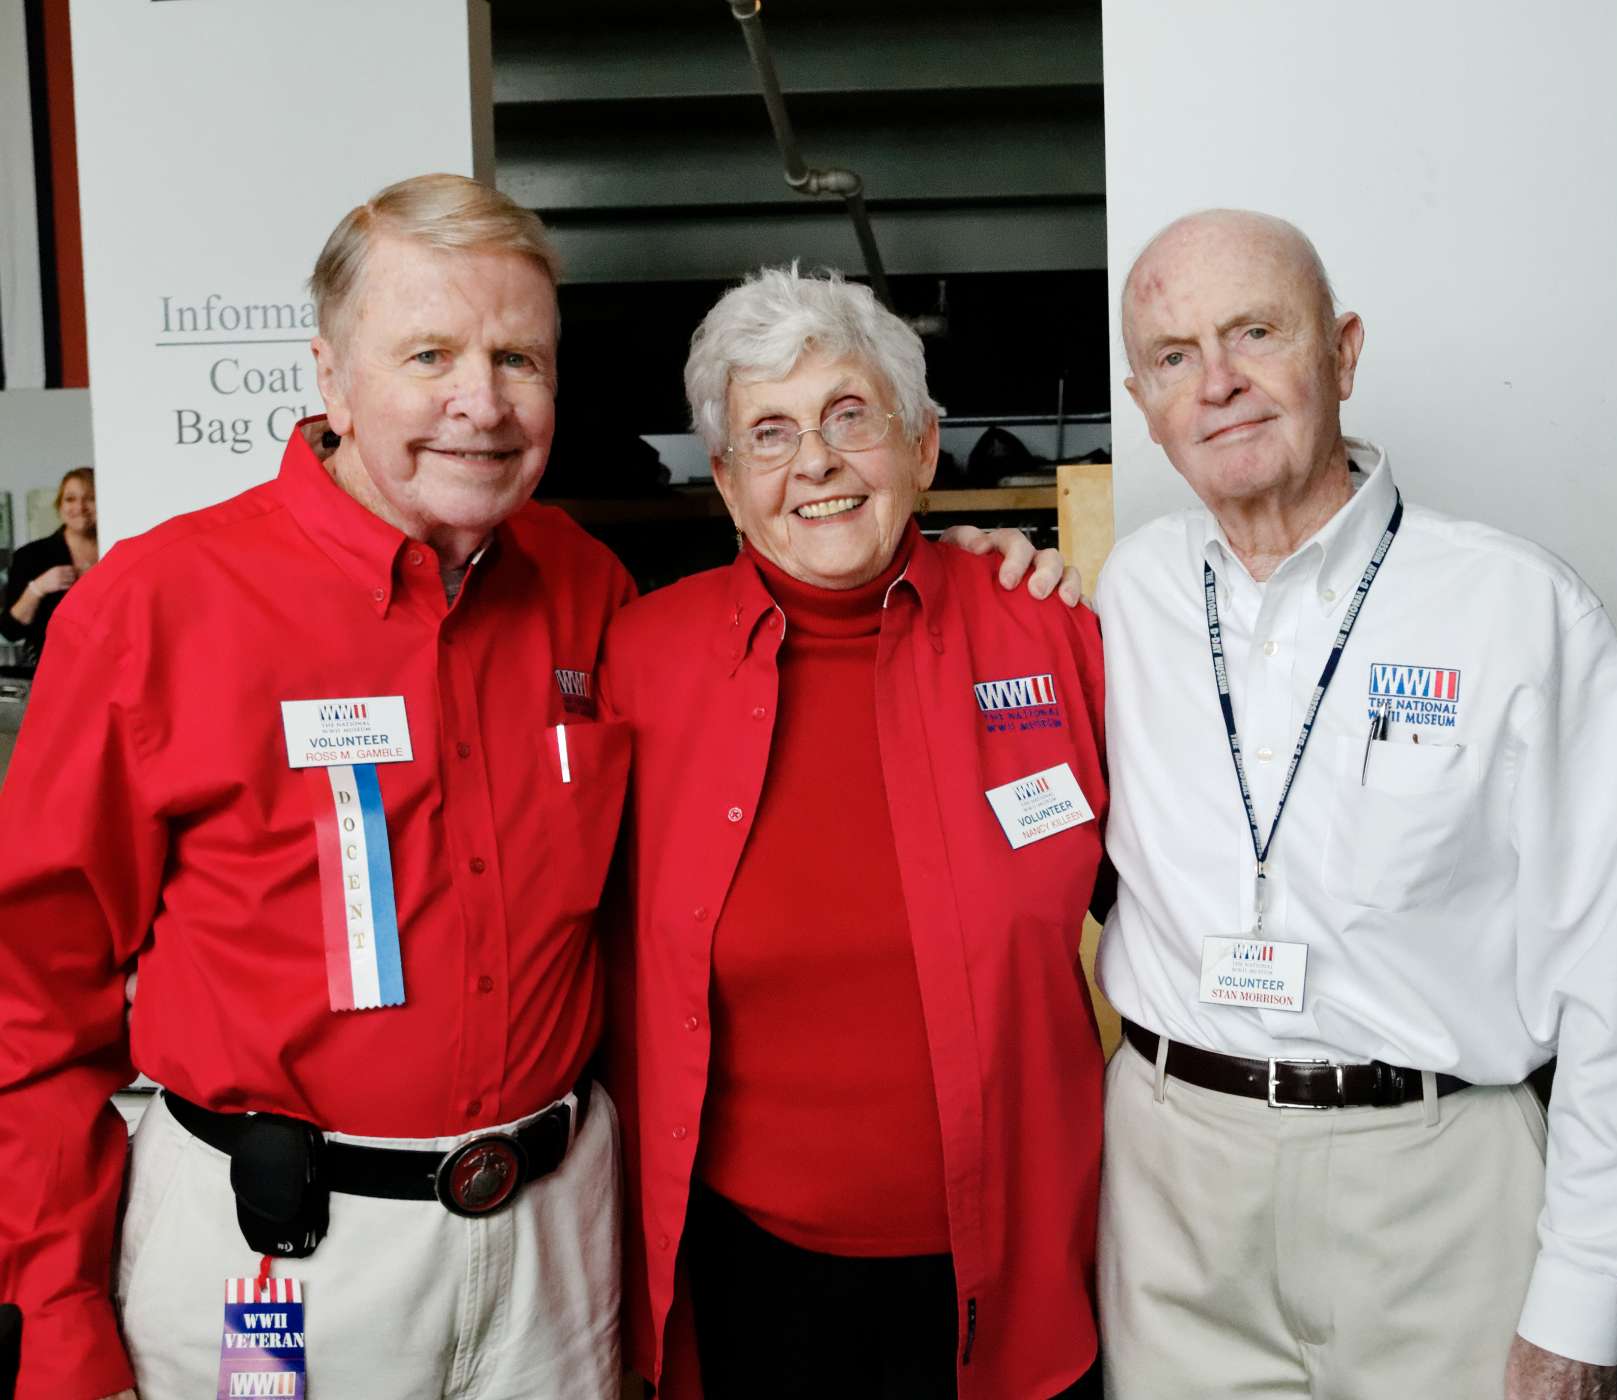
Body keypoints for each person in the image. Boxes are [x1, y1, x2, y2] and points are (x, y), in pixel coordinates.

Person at [0, 173, 1075, 1400]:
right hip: (279, 1266)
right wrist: (58, 1321)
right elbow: (29, 1005)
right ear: (331, 379)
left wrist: (979, 567)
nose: (481, 400)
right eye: (428, 352)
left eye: (518, 356)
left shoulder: (588, 594)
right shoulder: (156, 610)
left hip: (555, 1264)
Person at [1092, 209, 1617, 1400]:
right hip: (1173, 1190)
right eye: (1173, 357)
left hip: (1439, 1188)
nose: (1217, 383)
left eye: (1255, 332)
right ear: (1144, 400)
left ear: (1343, 352)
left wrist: (1581, 1297)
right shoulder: (1128, 593)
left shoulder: (1518, 610)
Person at [598, 266, 1108, 1400]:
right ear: (727, 484)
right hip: (746, 1275)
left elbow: (1176, 909)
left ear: (923, 447)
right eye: (769, 433)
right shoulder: (641, 662)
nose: (815, 462)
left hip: (1017, 1263)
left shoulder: (1053, 633)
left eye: (848, 416)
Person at [1, 467, 97, 666]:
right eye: (70, 499)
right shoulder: (30, 556)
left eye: (90, 498)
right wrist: (38, 588)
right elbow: (11, 631)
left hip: (110, 669)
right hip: (52, 670)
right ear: (59, 505)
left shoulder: (118, 549)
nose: (79, 507)